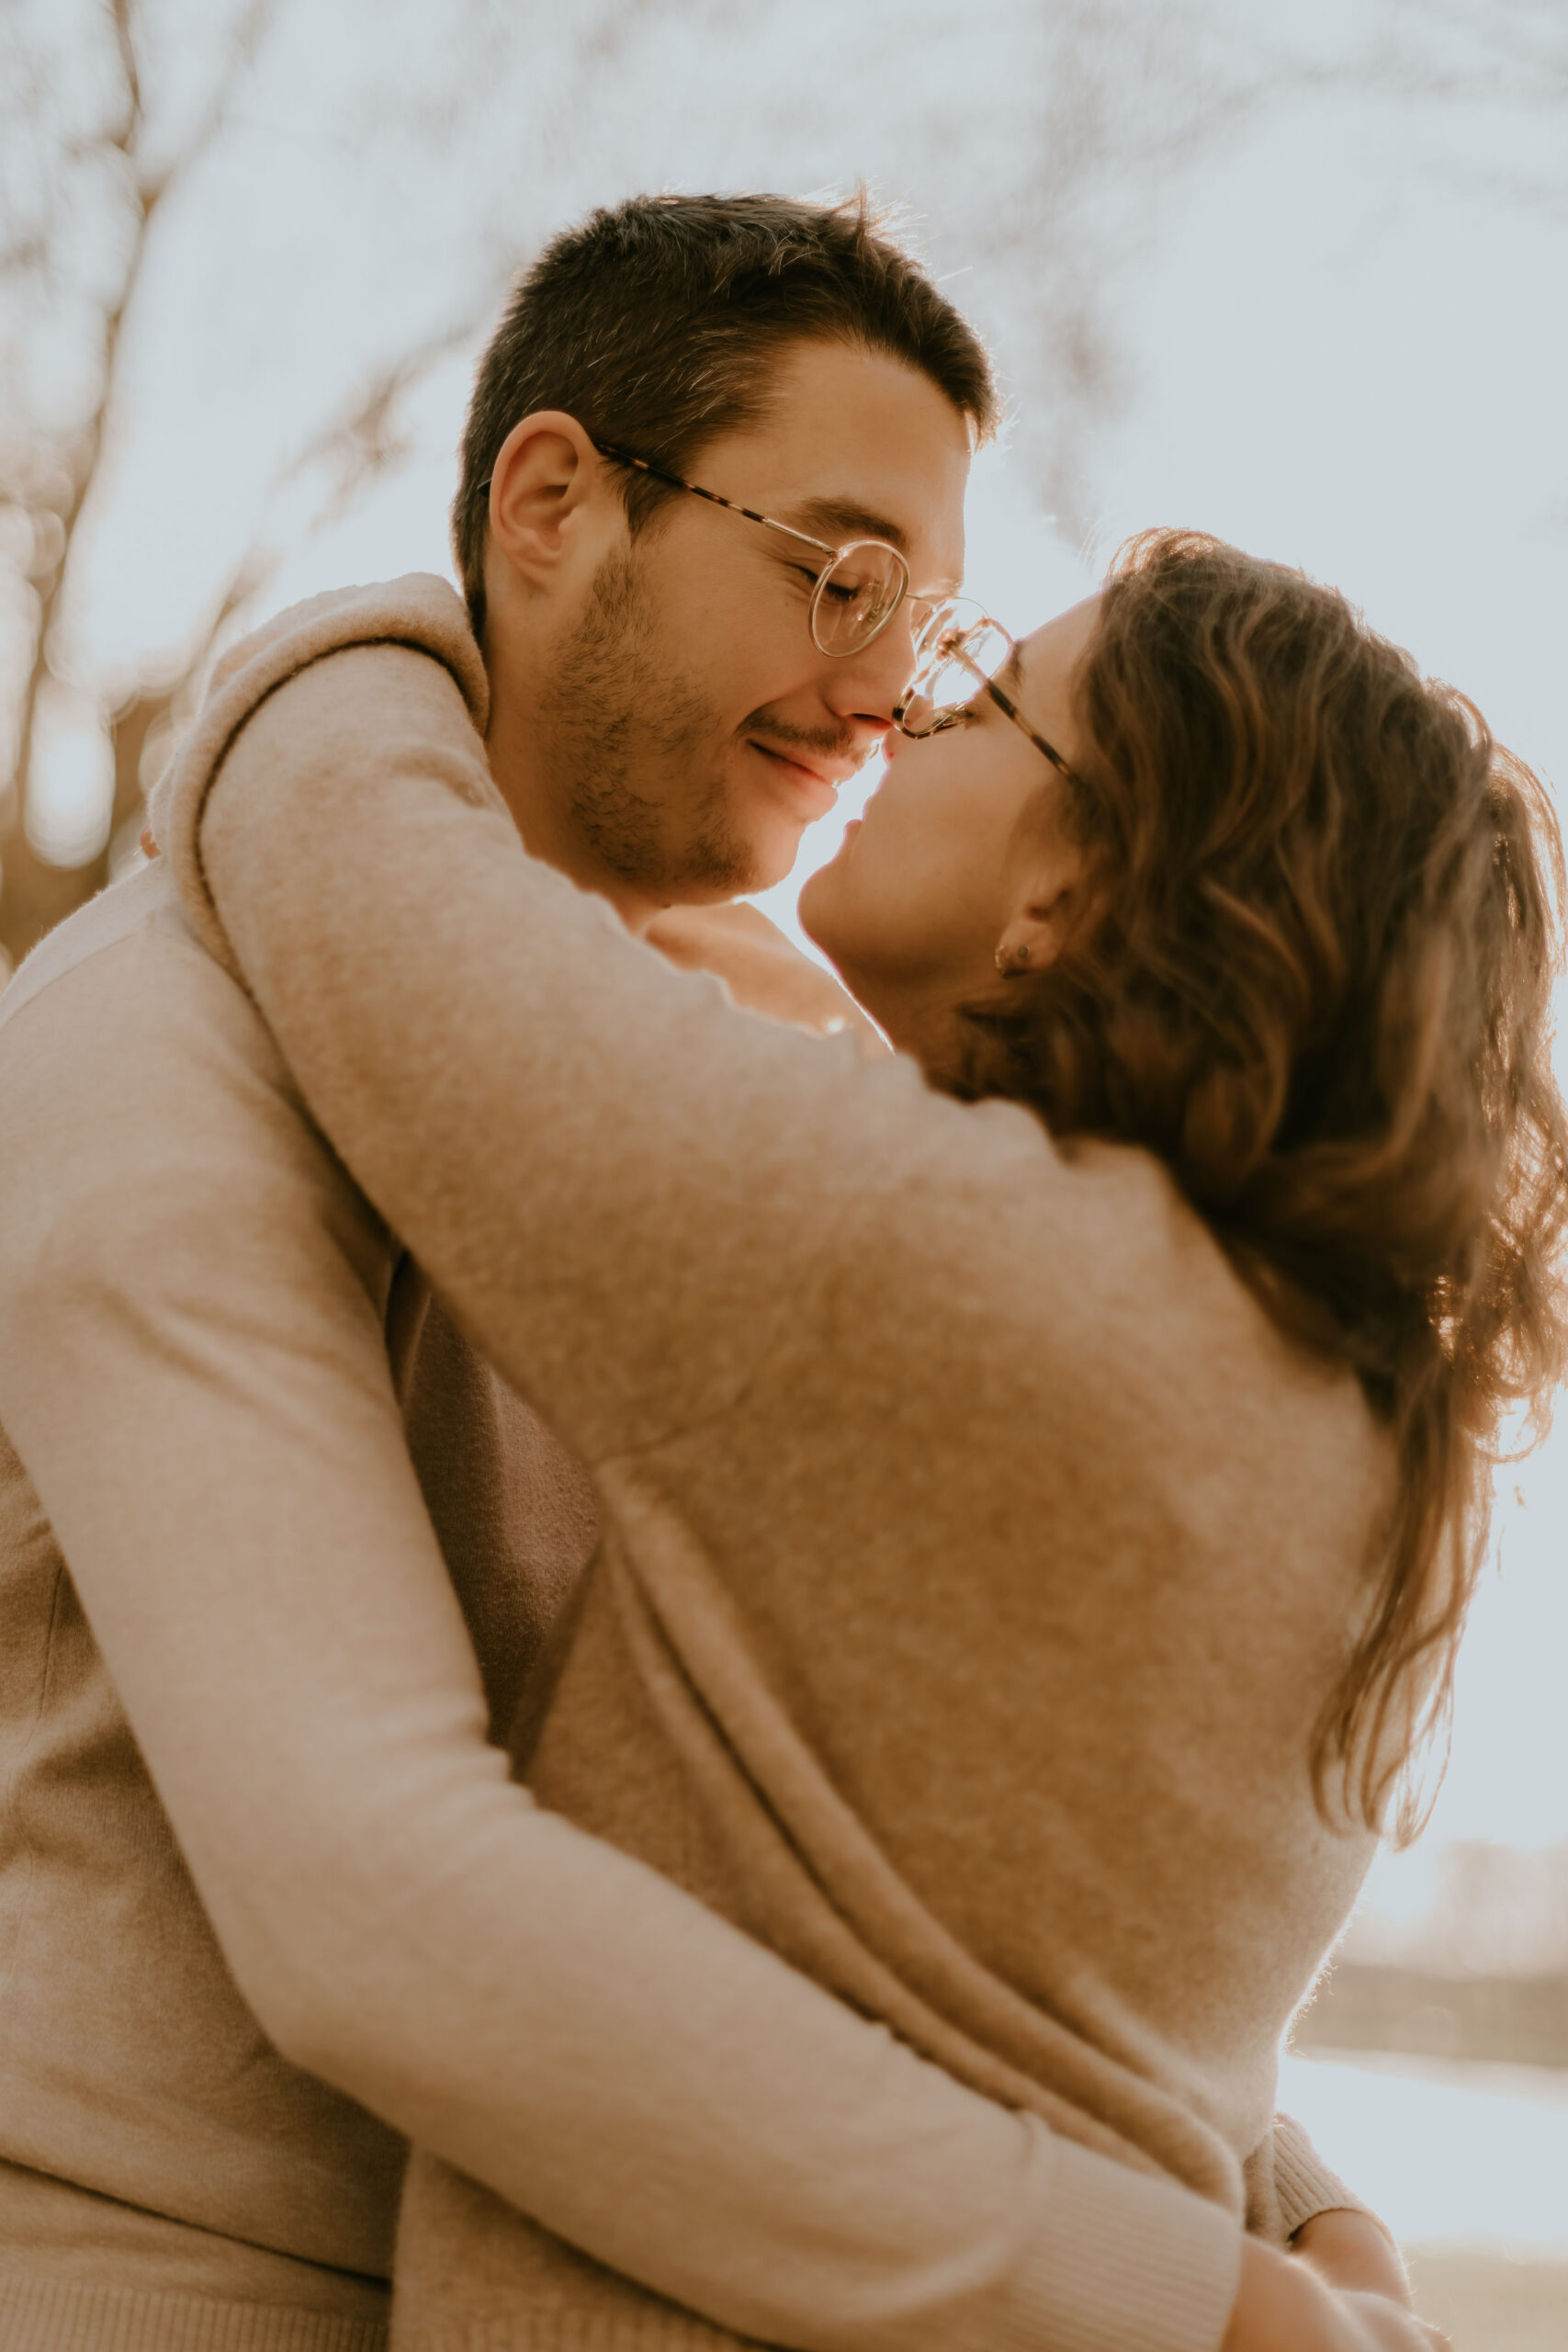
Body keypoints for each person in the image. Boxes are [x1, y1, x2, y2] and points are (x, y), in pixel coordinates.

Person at [0, 192, 1379, 2352]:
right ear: (552, 504)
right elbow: (364, 1902)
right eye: (835, 571)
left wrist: (1280, 2186)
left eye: (928, 632)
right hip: (170, 2278)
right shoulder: (148, 1035)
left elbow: (948, 1788)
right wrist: (1189, 2299)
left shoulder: (780, 1059)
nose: (879, 693)